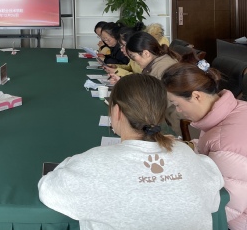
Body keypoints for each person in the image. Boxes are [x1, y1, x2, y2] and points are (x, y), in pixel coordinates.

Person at [38, 74, 224, 230]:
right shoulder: (184, 152)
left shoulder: (95, 162)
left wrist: (71, 163)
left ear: (117, 111)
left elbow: (48, 190)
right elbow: (213, 191)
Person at [163, 63, 247, 230]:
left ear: (196, 96)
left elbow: (227, 210)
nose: (178, 111)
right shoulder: (237, 109)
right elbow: (213, 152)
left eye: (177, 104)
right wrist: (185, 146)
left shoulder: (223, 143)